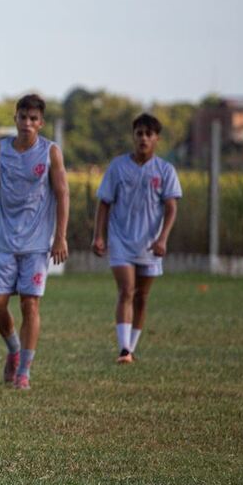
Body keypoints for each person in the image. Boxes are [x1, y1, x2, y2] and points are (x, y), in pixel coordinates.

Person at [0, 93, 69, 391]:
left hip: (37, 245)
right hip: (3, 242)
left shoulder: (50, 152)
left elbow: (63, 193)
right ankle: (14, 349)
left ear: (40, 123)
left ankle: (24, 371)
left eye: (33, 119)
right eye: (22, 117)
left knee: (30, 304)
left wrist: (60, 237)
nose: (27, 123)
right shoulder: (0, 150)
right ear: (15, 119)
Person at [91, 113, 181, 363]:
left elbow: (171, 207)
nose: (143, 138)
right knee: (126, 290)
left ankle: (132, 346)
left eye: (148, 134)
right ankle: (124, 349)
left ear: (156, 139)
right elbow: (104, 203)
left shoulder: (164, 170)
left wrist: (163, 238)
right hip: (121, 240)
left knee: (142, 296)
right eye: (139, 133)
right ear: (133, 136)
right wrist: (99, 236)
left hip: (149, 243)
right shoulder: (118, 167)